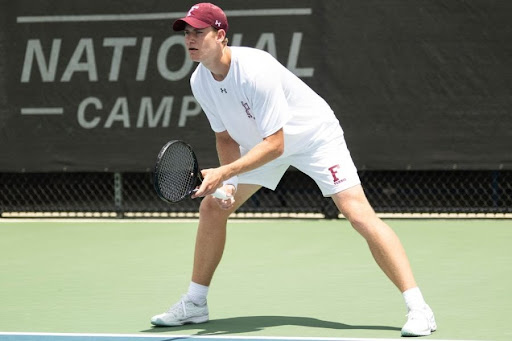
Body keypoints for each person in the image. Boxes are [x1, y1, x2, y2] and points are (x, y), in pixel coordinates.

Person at [151, 2, 437, 337]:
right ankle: (196, 304)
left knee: (357, 214)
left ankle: (419, 308)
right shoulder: (200, 80)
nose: (190, 39)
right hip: (262, 143)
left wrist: (225, 174)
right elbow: (226, 137)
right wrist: (226, 187)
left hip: (314, 138)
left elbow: (277, 145)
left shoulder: (255, 69)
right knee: (212, 207)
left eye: (198, 31)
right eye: (186, 33)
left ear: (221, 35)